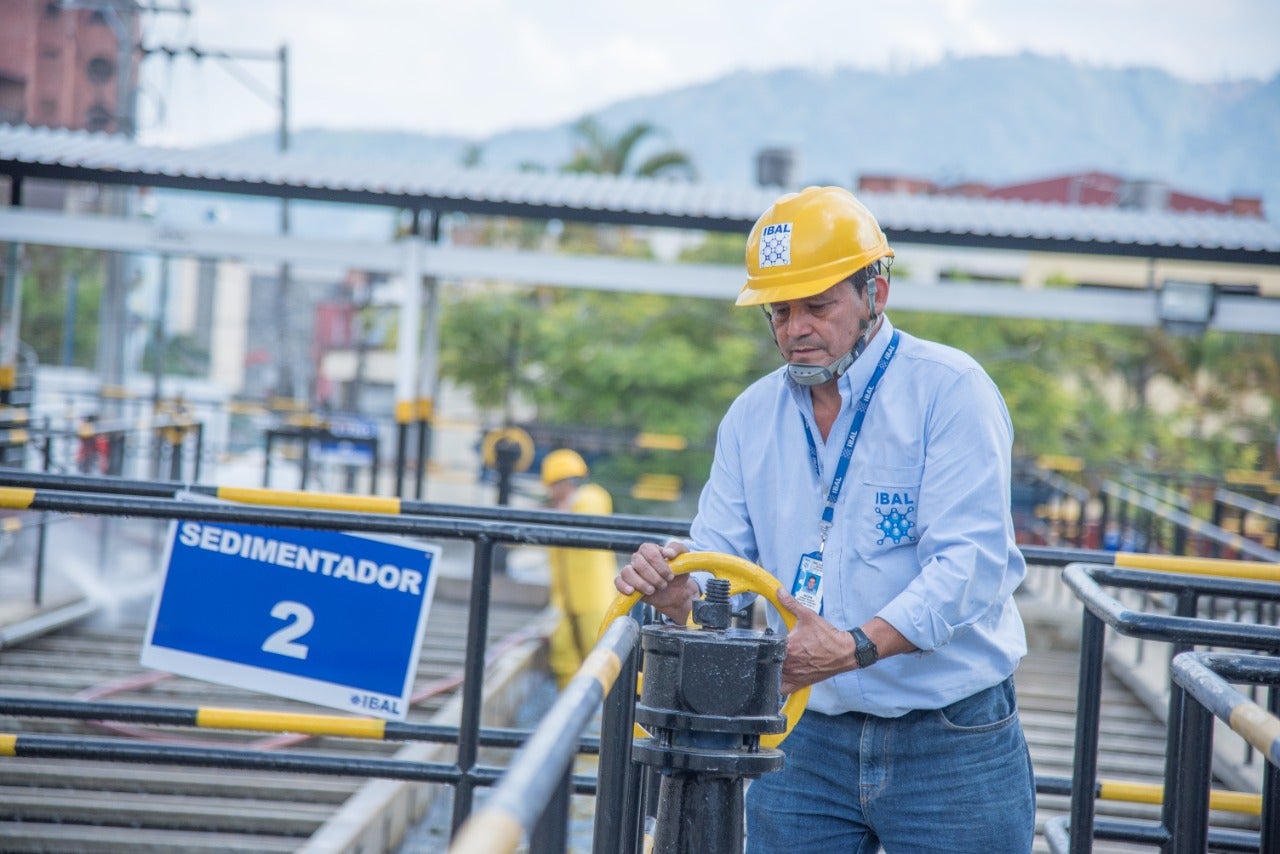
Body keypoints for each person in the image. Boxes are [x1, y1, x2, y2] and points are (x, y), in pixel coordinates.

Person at [616, 186, 1035, 851]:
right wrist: (676, 591)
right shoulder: (752, 418)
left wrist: (851, 646)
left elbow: (970, 565)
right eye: (779, 311)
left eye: (818, 305)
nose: (794, 329)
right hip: (806, 732)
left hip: (951, 736)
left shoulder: (950, 392)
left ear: (877, 292)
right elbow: (716, 562)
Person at [541, 448, 619, 689]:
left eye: (555, 485)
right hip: (565, 601)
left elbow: (589, 510)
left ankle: (604, 721)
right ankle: (568, 712)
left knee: (599, 660)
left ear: (565, 483)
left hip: (594, 599)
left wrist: (563, 508)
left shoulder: (592, 496)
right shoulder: (559, 510)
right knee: (563, 657)